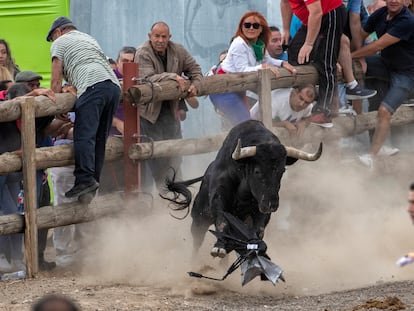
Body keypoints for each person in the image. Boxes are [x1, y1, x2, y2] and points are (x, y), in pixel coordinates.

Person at [46, 16, 121, 203]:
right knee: (99, 138)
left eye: (52, 38)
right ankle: (92, 184)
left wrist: (56, 108)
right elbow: (86, 66)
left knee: (84, 135)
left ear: (58, 32)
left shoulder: (60, 43)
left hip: (93, 86)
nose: (53, 42)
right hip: (112, 87)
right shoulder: (89, 39)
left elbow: (55, 79)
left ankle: (85, 180)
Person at [134, 21, 202, 190]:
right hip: (150, 115)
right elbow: (147, 78)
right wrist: (173, 76)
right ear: (150, 36)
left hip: (171, 112)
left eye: (164, 36)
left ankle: (178, 189)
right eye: (156, 36)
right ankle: (165, 191)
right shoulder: (142, 52)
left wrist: (195, 86)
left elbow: (195, 69)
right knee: (157, 155)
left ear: (169, 37)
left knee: (176, 152)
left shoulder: (177, 50)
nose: (160, 40)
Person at [351, 0, 414, 167]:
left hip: (406, 73)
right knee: (352, 67)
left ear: (406, 2)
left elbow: (377, 45)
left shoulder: (406, 21)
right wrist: (352, 55)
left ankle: (371, 157)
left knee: (384, 111)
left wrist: (351, 56)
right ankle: (354, 93)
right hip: (385, 64)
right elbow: (360, 34)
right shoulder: (380, 14)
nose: (394, 0)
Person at [210, 11, 297, 126]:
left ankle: (240, 142)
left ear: (261, 29)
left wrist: (282, 64)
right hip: (222, 87)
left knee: (245, 122)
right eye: (247, 25)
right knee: (244, 123)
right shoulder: (239, 43)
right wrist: (262, 67)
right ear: (241, 27)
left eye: (255, 26)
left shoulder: (259, 44)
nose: (251, 28)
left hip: (239, 87)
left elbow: (268, 61)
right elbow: (242, 71)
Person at [250, 84, 315, 137]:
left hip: (278, 136)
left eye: (306, 102)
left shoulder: (308, 106)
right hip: (253, 128)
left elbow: (308, 117)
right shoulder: (276, 99)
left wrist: (303, 123)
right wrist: (284, 124)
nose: (301, 104)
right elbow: (264, 123)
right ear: (294, 92)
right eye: (300, 98)